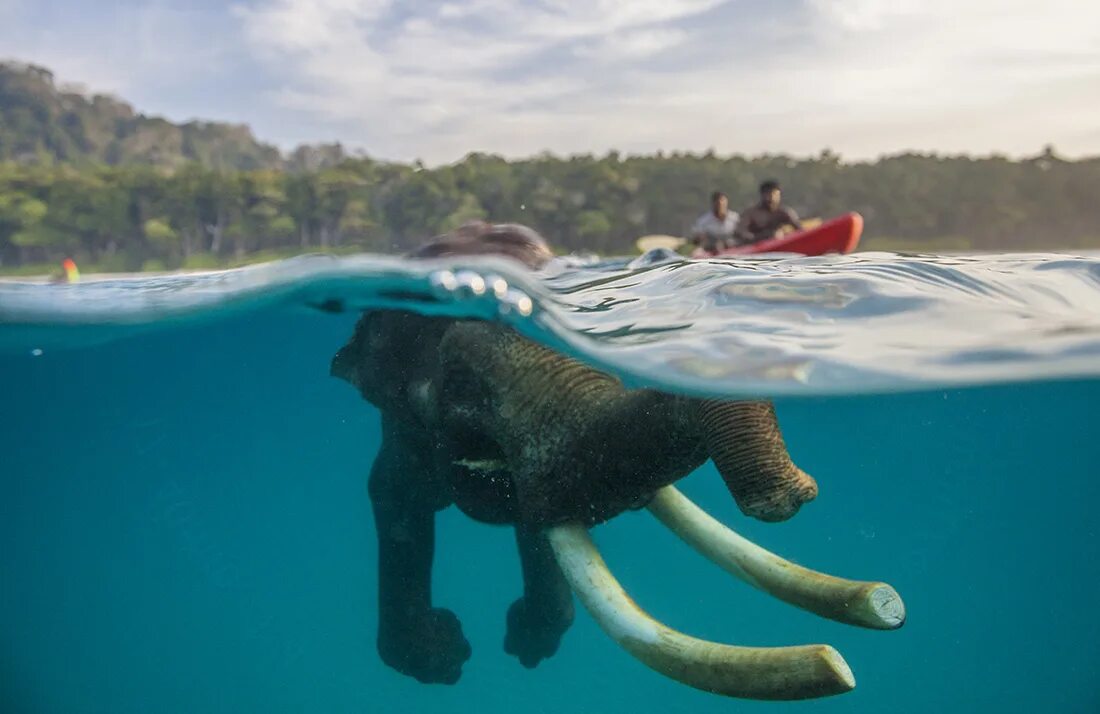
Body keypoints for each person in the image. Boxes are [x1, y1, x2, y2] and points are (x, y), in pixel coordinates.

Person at [734, 180, 803, 244]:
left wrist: (785, 235)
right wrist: (762, 237)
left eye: (775, 194)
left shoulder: (785, 212)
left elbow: (800, 231)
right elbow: (740, 232)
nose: (772, 198)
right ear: (762, 195)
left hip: (781, 247)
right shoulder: (751, 213)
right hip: (757, 248)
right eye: (769, 194)